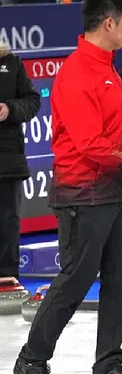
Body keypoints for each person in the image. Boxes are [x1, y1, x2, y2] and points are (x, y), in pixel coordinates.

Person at [14, 0, 122, 374]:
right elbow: (90, 145)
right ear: (108, 23)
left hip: (114, 192)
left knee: (121, 279)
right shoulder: (77, 73)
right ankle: (31, 360)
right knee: (75, 280)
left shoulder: (107, 69)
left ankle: (107, 365)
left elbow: (109, 128)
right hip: (83, 195)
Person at [0, 43, 40, 285]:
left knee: (7, 225)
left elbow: (33, 102)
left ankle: (6, 286)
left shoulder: (11, 62)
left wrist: (10, 109)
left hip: (7, 162)